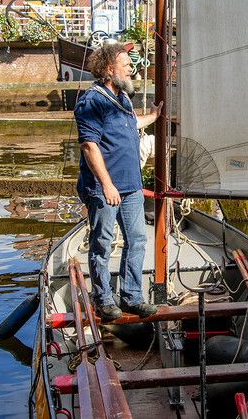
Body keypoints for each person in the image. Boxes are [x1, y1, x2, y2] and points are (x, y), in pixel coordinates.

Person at [75, 41, 162, 321]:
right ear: (110, 69)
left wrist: (153, 116)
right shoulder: (92, 101)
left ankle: (131, 297)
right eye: (126, 66)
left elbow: (129, 125)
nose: (131, 70)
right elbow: (90, 146)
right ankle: (104, 300)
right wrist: (107, 184)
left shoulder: (123, 98)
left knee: (137, 240)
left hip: (131, 187)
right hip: (105, 188)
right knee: (102, 243)